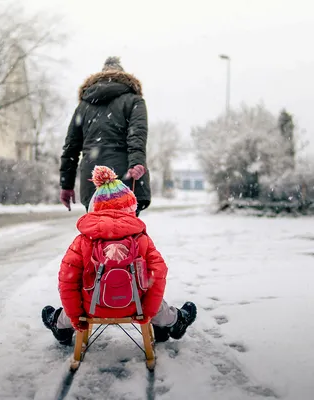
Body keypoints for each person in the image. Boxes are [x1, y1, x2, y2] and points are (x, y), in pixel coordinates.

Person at [42, 166, 197, 345]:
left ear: (95, 207)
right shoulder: (141, 239)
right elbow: (158, 273)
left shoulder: (83, 241)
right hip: (134, 306)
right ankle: (173, 321)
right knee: (153, 298)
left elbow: (67, 280)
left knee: (77, 298)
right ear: (131, 207)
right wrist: (147, 312)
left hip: (92, 308)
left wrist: (76, 317)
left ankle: (60, 326)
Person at [59, 56, 151, 216]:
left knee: (97, 232)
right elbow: (137, 137)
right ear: (124, 76)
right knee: (127, 233)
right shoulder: (134, 101)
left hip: (93, 178)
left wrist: (66, 185)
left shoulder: (84, 105)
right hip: (125, 177)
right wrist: (136, 164)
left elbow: (71, 148)